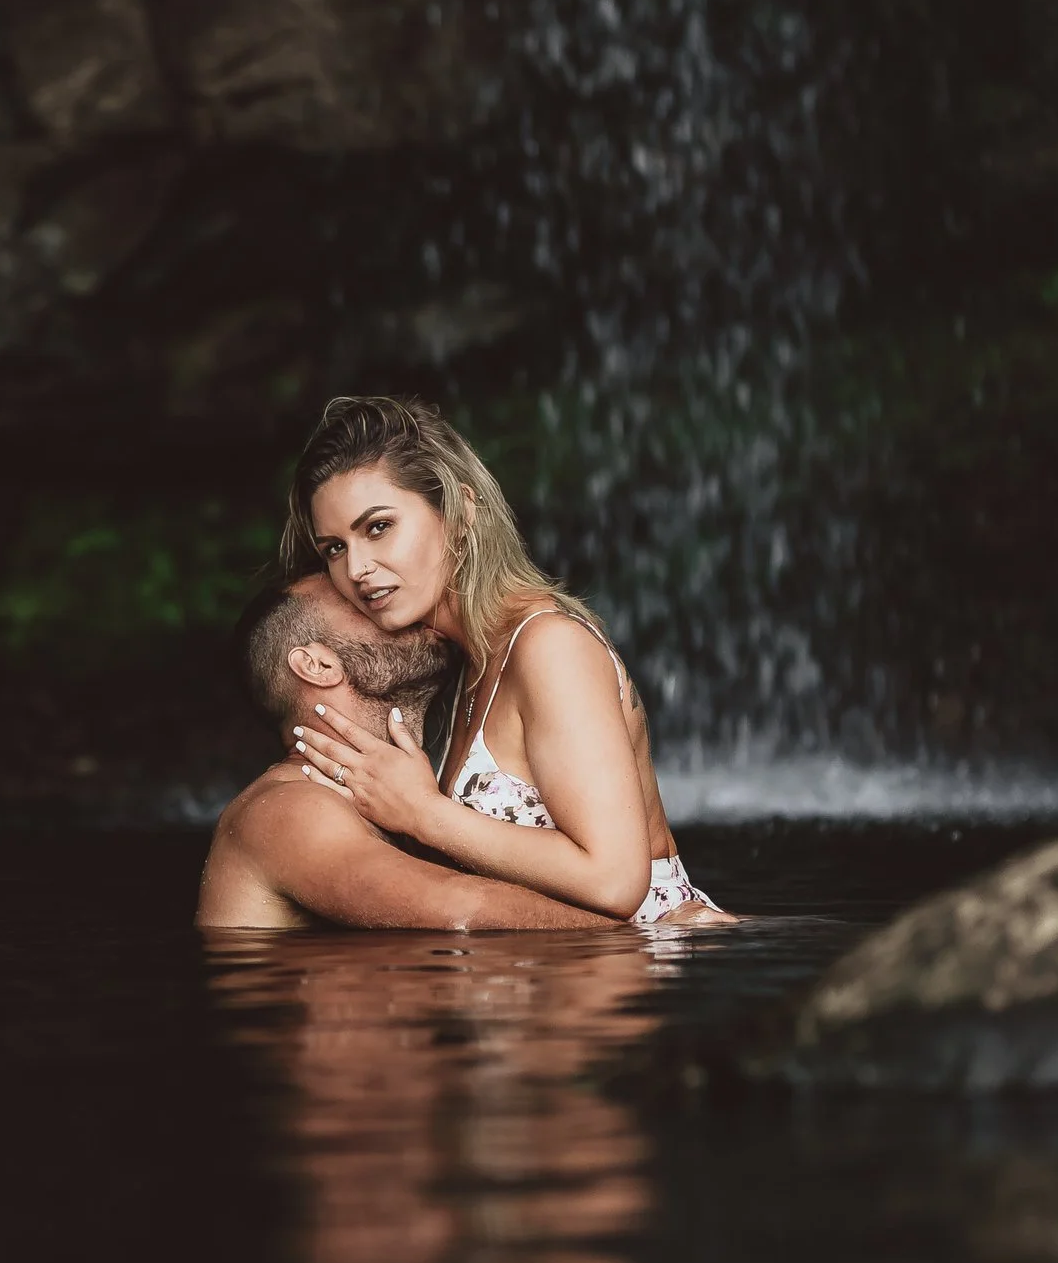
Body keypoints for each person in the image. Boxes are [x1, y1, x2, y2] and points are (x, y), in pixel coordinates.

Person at [282, 396, 732, 927]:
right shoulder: (462, 665)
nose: (357, 567)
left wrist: (425, 814)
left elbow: (615, 882)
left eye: (378, 527)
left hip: (640, 971)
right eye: (334, 548)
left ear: (462, 512)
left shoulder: (548, 646)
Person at [196, 571, 622, 930]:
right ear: (318, 666)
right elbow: (466, 910)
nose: (398, 608)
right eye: (365, 606)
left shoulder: (389, 803)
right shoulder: (290, 807)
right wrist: (654, 937)